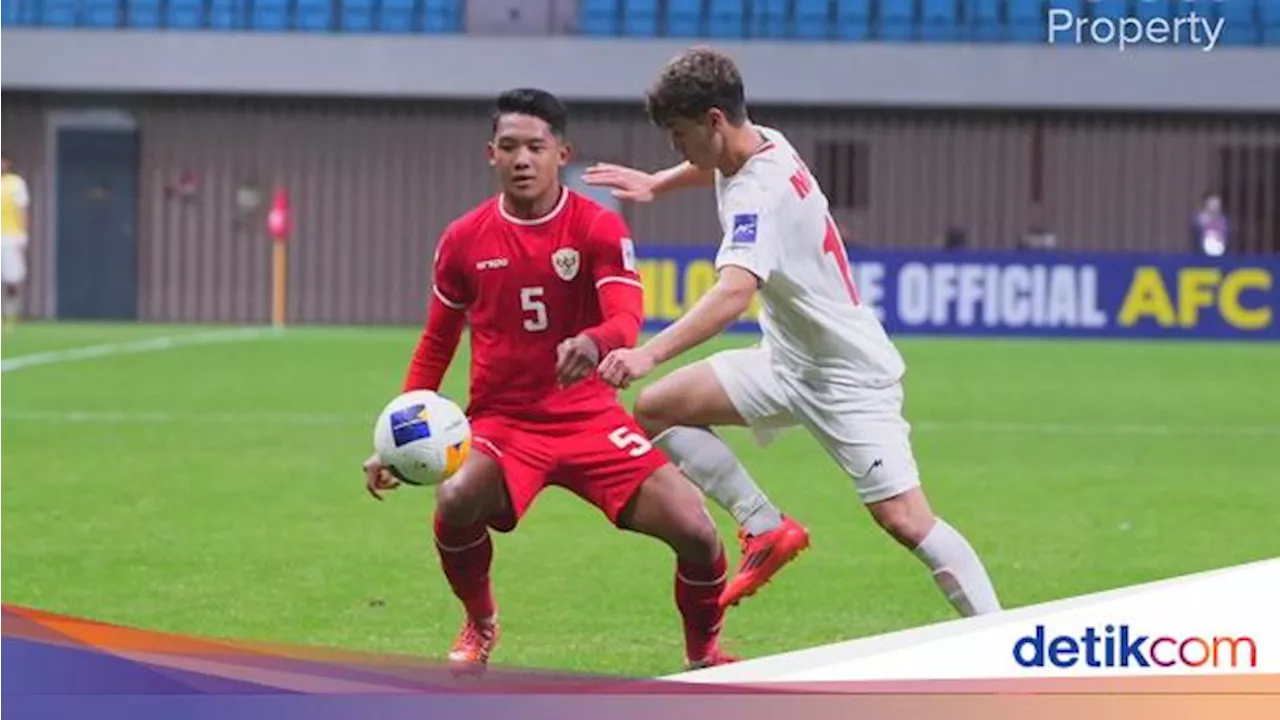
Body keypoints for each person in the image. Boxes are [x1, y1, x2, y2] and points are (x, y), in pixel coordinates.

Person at [583, 47, 1002, 618]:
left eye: (678, 135)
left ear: (713, 120)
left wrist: (647, 353)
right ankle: (765, 527)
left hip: (845, 376)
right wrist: (660, 182)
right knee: (658, 410)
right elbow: (712, 163)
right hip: (785, 362)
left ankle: (997, 637)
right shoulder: (763, 140)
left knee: (904, 520)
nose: (675, 147)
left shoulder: (759, 193)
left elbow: (733, 293)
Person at [361, 88, 735, 675]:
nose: (522, 159)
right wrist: (395, 441)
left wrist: (595, 342)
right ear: (491, 154)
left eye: (535, 146)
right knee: (455, 498)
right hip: (502, 424)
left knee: (696, 530)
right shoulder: (463, 239)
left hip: (591, 418)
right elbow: (437, 341)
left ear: (563, 152)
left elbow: (625, 317)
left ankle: (703, 653)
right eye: (509, 147)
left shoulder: (597, 228)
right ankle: (480, 622)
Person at [0, 152, 31, 334]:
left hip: (11, 236)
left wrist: (23, 235)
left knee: (12, 278)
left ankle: (10, 315)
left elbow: (22, 210)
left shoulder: (16, 184)